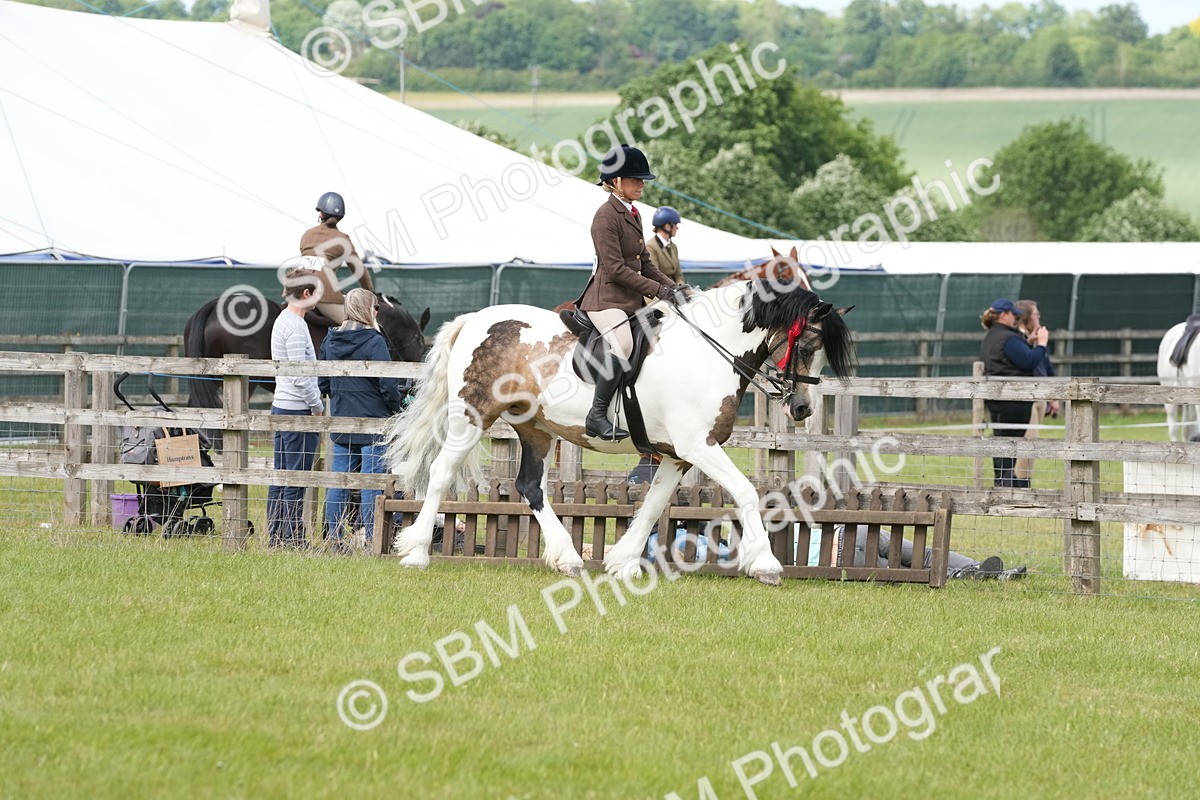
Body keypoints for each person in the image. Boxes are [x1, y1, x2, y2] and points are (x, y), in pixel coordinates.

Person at [576, 144, 685, 441]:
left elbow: (644, 263)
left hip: (630, 300)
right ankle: (596, 415)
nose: (641, 185)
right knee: (622, 344)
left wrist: (674, 289)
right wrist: (659, 290)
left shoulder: (633, 214)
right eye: (635, 180)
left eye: (642, 180)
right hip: (605, 299)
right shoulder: (605, 216)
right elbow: (615, 270)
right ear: (614, 182)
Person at [319, 288, 408, 551]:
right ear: (369, 309)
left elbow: (322, 381)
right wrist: (395, 407)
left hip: (342, 423)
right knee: (372, 484)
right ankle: (372, 539)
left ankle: (334, 539)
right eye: (376, 307)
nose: (377, 311)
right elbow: (388, 384)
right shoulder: (374, 341)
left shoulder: (330, 341)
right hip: (373, 423)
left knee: (339, 482)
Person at [266, 267, 325, 548]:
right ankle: (292, 538)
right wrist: (317, 406)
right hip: (296, 408)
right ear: (305, 294)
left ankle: (277, 534)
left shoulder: (285, 321)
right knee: (295, 477)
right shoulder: (296, 325)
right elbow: (300, 375)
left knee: (282, 475)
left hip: (282, 405)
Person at [980, 298, 1049, 489]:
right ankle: (1012, 485)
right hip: (1014, 400)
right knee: (1015, 443)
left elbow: (1007, 361)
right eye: (1013, 314)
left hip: (997, 399)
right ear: (1003, 315)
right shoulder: (1007, 338)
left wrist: (1027, 342)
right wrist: (1041, 345)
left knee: (1002, 440)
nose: (1015, 318)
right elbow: (1028, 361)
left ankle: (1003, 483)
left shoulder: (992, 336)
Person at [830, 524, 1027, 580]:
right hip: (850, 533)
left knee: (908, 572)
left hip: (842, 560)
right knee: (922, 555)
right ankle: (980, 570)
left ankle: (972, 572)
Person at [299, 191, 374, 325]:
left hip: (297, 288)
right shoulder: (342, 239)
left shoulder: (307, 235)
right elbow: (360, 271)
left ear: (320, 213)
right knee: (362, 325)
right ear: (340, 217)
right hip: (322, 294)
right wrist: (370, 295)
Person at [1014, 299, 1059, 486]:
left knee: (1034, 440)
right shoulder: (1018, 340)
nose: (1038, 317)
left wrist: (1053, 397)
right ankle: (1021, 484)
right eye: (1035, 314)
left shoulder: (1038, 339)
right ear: (1026, 317)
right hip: (1028, 396)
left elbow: (1047, 368)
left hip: (1040, 395)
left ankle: (1025, 481)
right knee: (1028, 440)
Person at [645, 206, 683, 285]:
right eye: (675, 225)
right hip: (660, 291)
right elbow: (654, 276)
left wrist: (681, 287)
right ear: (667, 226)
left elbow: (678, 275)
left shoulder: (673, 247)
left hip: (674, 290)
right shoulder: (651, 246)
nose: (677, 228)